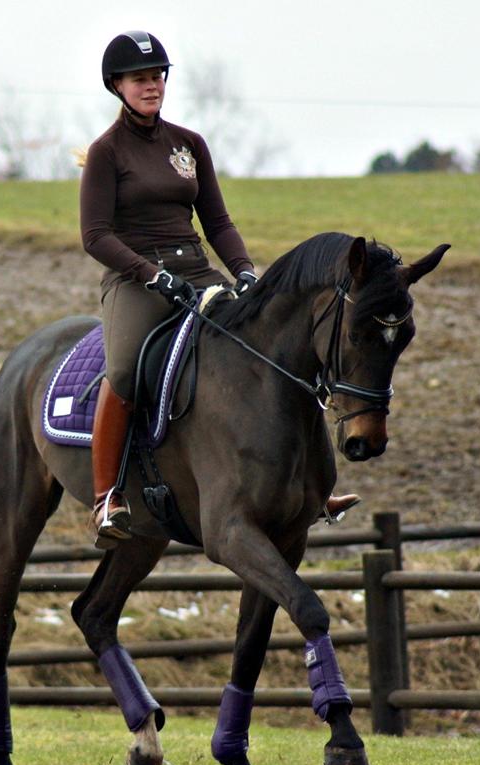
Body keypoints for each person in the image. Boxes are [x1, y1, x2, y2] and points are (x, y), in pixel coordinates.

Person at [80, 30, 358, 548]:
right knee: (122, 369)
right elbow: (95, 235)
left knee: (271, 346)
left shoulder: (189, 144)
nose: (152, 86)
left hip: (198, 272)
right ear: (117, 85)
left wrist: (245, 270)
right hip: (136, 281)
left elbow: (217, 221)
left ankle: (315, 488)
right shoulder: (106, 152)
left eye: (158, 76)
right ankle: (107, 497)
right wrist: (150, 274)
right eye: (141, 78)